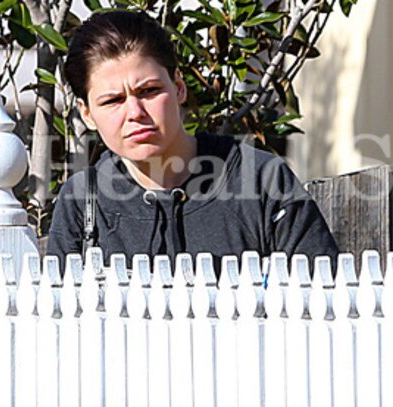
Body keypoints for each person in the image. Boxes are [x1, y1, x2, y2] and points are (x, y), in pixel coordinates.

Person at [46, 10, 339, 274]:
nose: (135, 113)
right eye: (113, 100)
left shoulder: (262, 181)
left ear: (179, 87)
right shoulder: (83, 200)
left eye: (149, 90)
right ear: (87, 114)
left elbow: (323, 310)